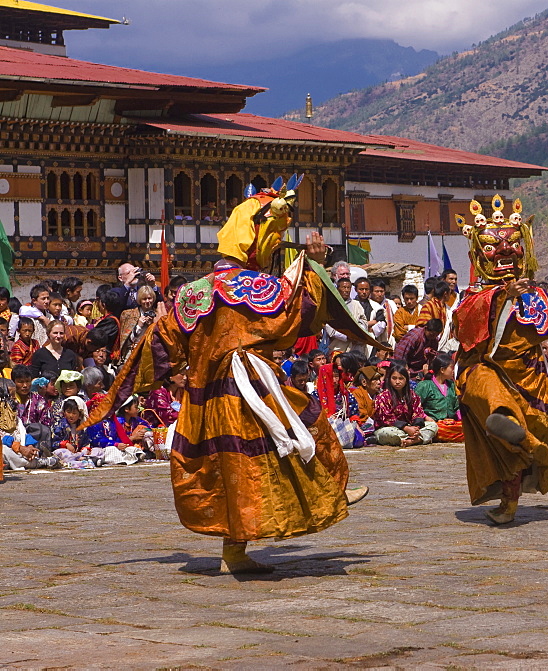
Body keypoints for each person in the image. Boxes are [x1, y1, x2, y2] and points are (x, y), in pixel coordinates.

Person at [84, 177, 382, 574]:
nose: (274, 247)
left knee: (230, 469)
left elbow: (160, 344)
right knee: (304, 429)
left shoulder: (193, 292)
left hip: (206, 398)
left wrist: (117, 390)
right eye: (271, 238)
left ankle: (234, 552)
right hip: (249, 389)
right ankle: (329, 492)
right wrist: (316, 264)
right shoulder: (254, 286)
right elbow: (297, 316)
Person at [453, 195, 548, 526]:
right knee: (498, 412)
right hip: (489, 370)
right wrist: (502, 296)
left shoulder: (537, 295)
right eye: (492, 249)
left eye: (512, 247)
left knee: (510, 443)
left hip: (530, 376)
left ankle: (509, 503)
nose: (504, 254)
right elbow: (465, 327)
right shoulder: (476, 297)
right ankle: (525, 441)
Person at [372, 361, 437, 446]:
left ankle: (412, 440)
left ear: (406, 380)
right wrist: (406, 428)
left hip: (411, 427)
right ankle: (417, 439)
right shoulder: (383, 397)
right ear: (389, 379)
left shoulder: (412, 395)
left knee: (432, 425)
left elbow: (418, 413)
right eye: (394, 378)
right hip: (392, 429)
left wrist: (416, 428)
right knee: (388, 433)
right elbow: (387, 418)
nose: (397, 382)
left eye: (401, 378)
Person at [415, 354, 463, 442]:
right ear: (442, 370)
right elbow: (415, 406)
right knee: (434, 428)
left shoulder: (452, 385)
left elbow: (456, 407)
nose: (453, 371)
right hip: (433, 423)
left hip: (449, 424)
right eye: (451, 368)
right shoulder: (425, 385)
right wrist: (426, 418)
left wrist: (460, 420)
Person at [348, 277, 388, 356]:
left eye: (367, 289)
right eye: (361, 289)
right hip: (351, 342)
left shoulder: (376, 307)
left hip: (370, 342)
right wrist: (370, 323)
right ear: (356, 289)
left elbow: (382, 323)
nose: (364, 292)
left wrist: (372, 330)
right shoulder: (350, 305)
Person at [119, 285, 158, 359]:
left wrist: (152, 325)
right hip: (133, 353)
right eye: (144, 299)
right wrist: (139, 326)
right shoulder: (129, 314)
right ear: (139, 300)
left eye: (149, 298)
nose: (147, 301)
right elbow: (126, 342)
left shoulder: (158, 315)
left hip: (151, 354)